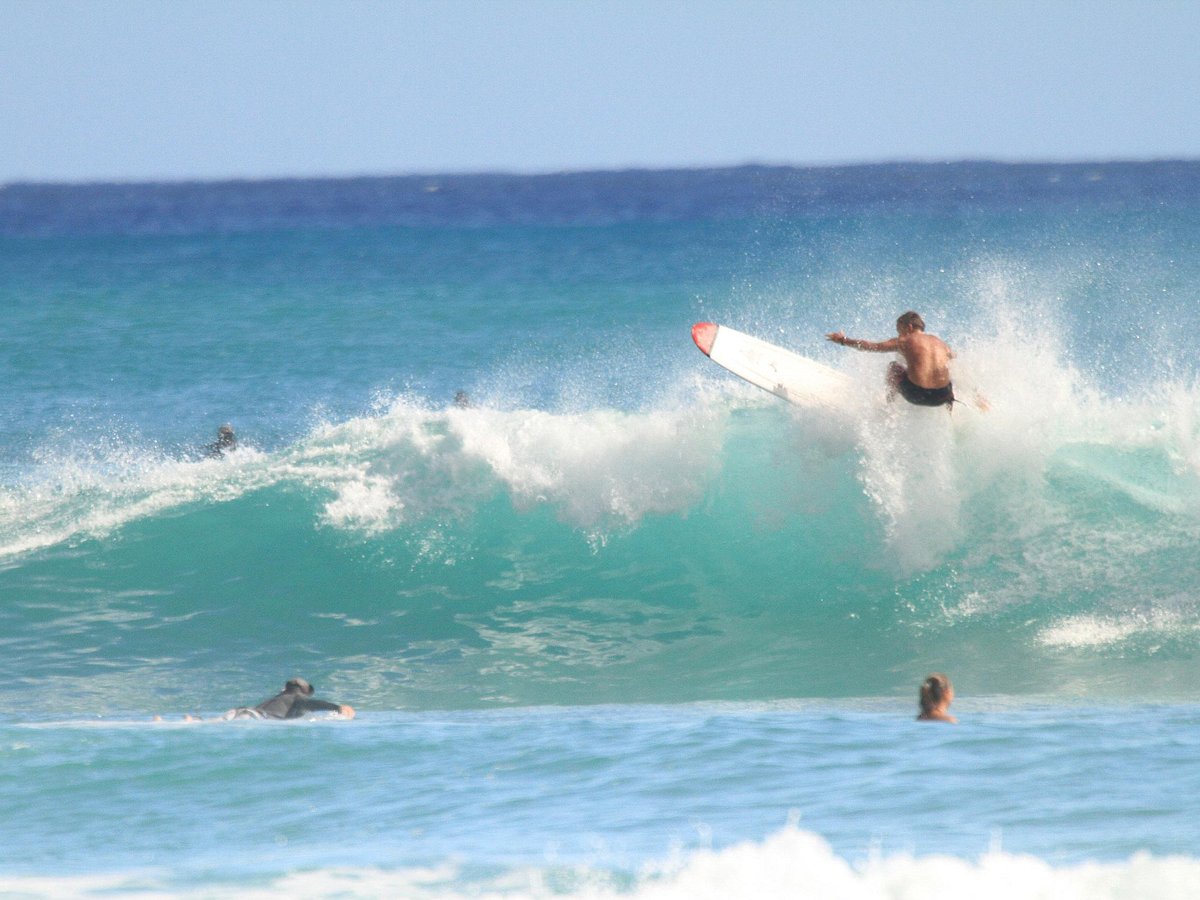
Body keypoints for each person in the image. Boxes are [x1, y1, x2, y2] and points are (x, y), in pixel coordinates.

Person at [826, 311, 955, 409]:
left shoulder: (904, 340)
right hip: (941, 396)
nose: (899, 335)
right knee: (947, 370)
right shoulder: (942, 344)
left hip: (916, 394)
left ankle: (890, 410)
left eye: (900, 330)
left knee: (893, 367)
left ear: (909, 327)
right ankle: (950, 408)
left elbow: (871, 346)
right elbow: (956, 362)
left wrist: (843, 340)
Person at [223, 677, 355, 720]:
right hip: (255, 717)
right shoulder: (298, 698)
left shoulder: (277, 697)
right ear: (306, 692)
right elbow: (314, 704)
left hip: (242, 711)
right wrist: (337, 707)